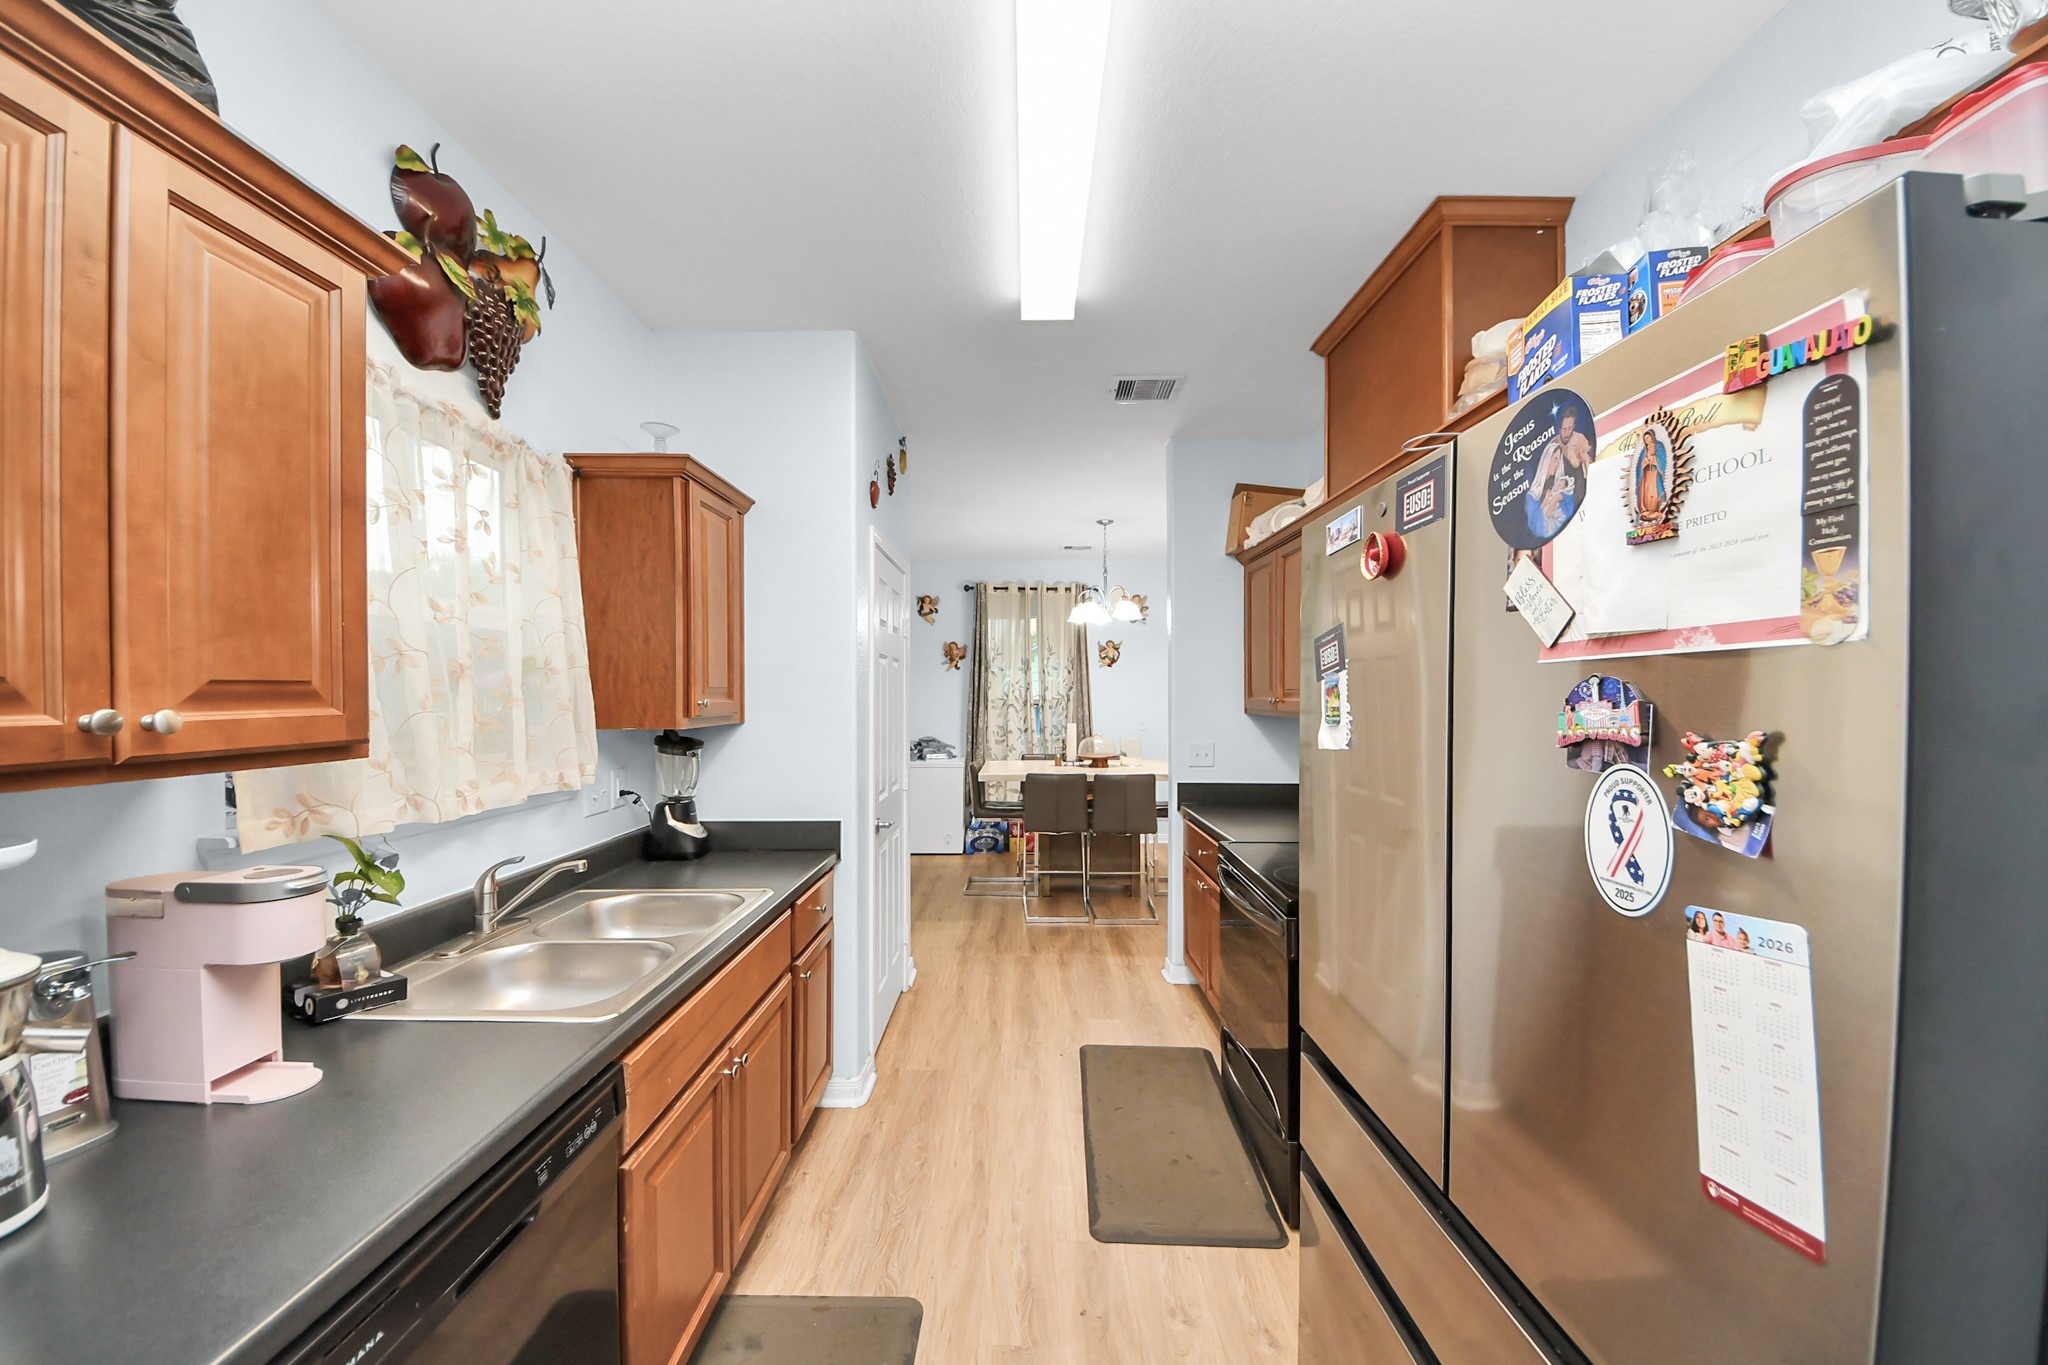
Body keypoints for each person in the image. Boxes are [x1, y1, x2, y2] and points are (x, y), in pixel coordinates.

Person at [1525, 409, 1593, 541]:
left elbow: (1591, 469)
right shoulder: (1553, 445)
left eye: (1569, 429)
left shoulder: (1580, 440)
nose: (1566, 433)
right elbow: (1535, 523)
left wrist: (1583, 458)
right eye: (1564, 429)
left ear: (1574, 427)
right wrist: (1548, 501)